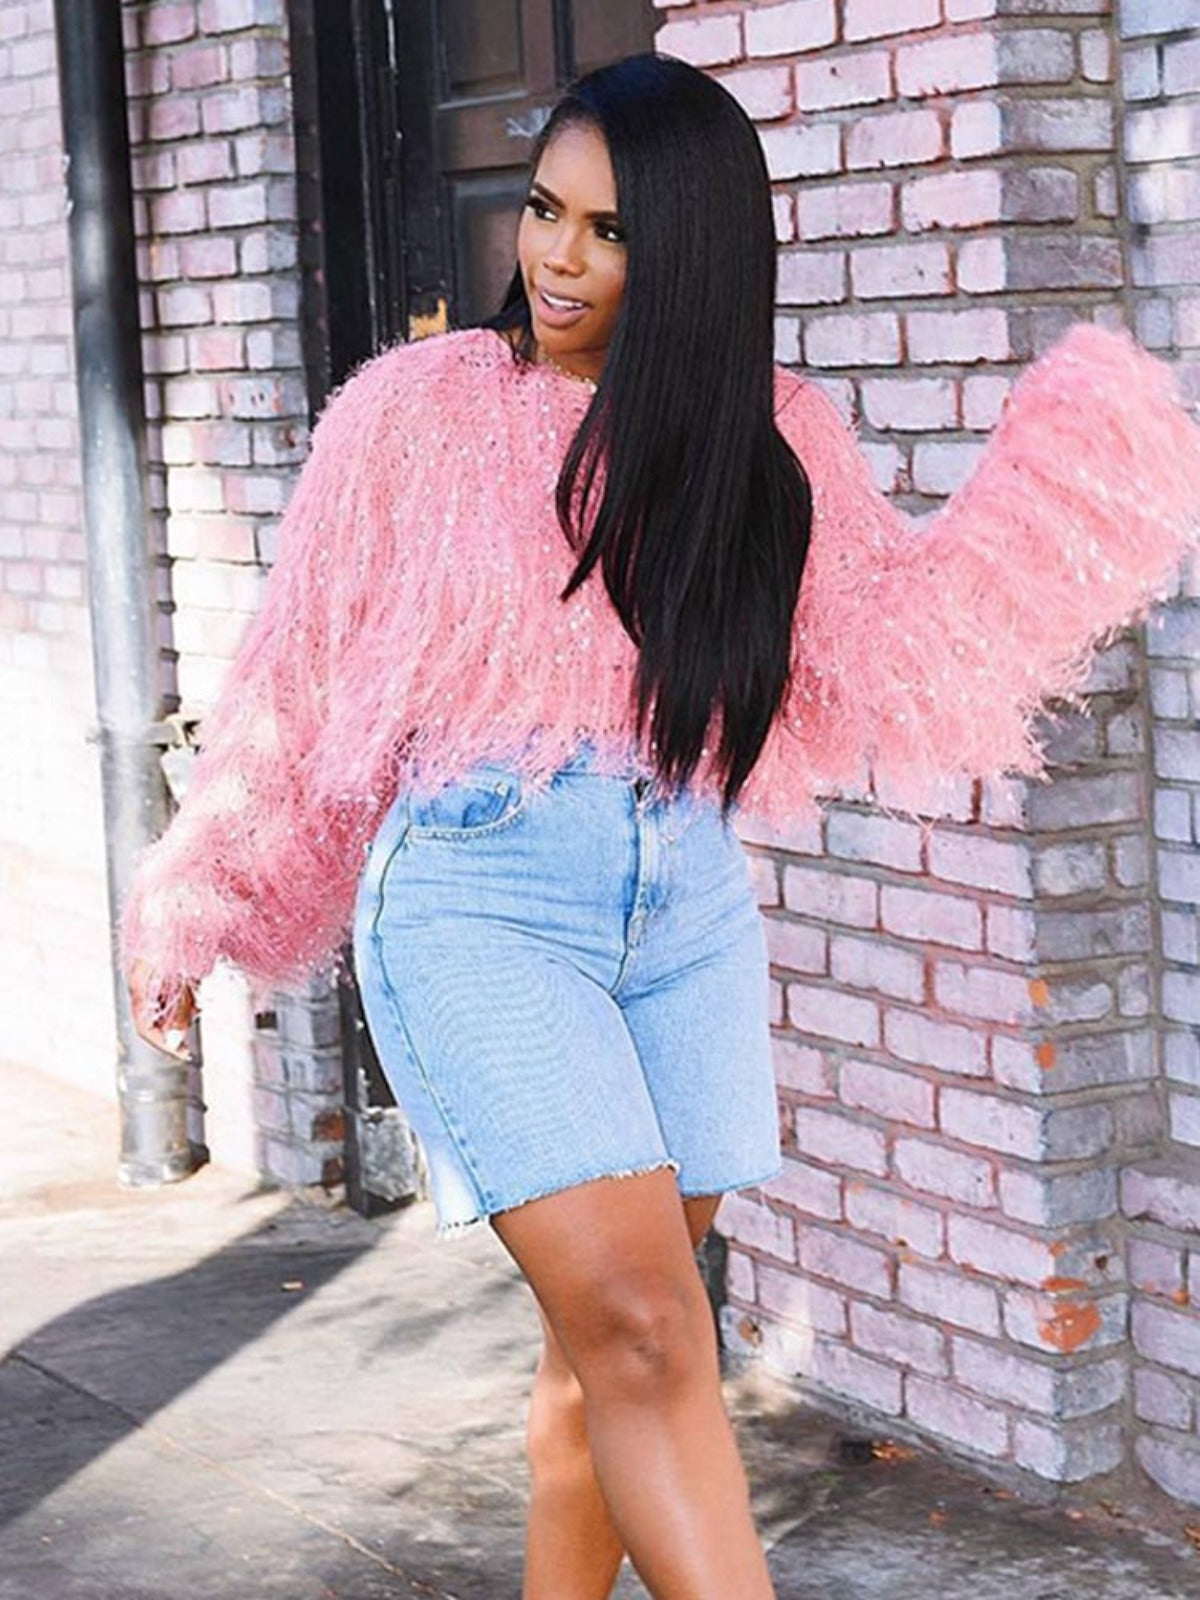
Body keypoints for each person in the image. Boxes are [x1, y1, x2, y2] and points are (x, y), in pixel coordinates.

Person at [124, 52, 1200, 1600]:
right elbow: (290, 679)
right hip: (482, 902)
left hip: (684, 910)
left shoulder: (769, 437)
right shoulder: (413, 415)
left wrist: (1070, 481)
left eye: (611, 231)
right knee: (643, 1331)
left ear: (690, 251)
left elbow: (887, 640)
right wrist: (196, 896)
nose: (556, 259)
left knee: (608, 1354)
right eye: (545, 211)